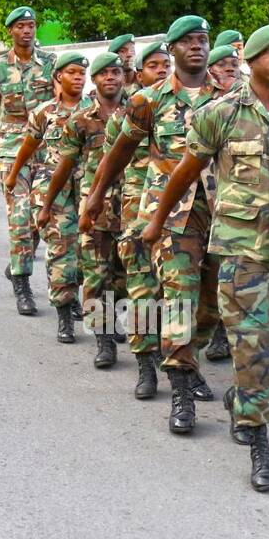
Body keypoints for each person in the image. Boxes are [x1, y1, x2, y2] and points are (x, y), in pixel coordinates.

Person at [142, 25, 269, 491]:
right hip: (240, 251)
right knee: (249, 346)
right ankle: (259, 443)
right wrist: (157, 219)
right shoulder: (220, 114)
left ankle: (245, 392)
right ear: (251, 61)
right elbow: (186, 171)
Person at [86, 15, 227, 435]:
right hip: (167, 215)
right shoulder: (149, 101)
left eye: (203, 40)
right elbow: (120, 150)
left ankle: (187, 358)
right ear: (172, 50)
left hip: (224, 215)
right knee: (171, 296)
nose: (198, 47)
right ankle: (176, 385)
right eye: (187, 41)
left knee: (212, 303)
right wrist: (95, 196)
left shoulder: (232, 96)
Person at [83, 41, 172, 399]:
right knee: (119, 280)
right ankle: (127, 352)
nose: (162, 70)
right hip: (132, 211)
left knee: (173, 292)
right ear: (140, 73)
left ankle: (180, 362)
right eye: (153, 65)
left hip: (179, 212)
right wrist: (94, 199)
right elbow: (107, 164)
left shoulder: (189, 110)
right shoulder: (127, 115)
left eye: (166, 64)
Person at [40, 51, 129, 364]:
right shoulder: (80, 121)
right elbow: (64, 166)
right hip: (94, 211)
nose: (110, 78)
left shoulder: (140, 113)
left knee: (125, 278)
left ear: (124, 77)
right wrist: (47, 204)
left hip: (132, 209)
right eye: (104, 74)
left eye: (115, 73)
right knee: (95, 276)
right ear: (96, 81)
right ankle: (104, 340)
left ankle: (115, 316)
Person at [3, 51, 89, 341]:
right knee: (62, 248)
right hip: (53, 189)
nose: (78, 78)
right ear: (58, 77)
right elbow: (29, 144)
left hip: (89, 187)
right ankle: (64, 315)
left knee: (87, 250)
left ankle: (86, 304)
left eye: (82, 73)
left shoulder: (96, 108)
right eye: (72, 72)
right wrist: (14, 174)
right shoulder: (44, 112)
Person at [0, 8, 56, 315]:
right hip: (12, 148)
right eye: (21, 26)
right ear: (10, 31)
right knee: (20, 218)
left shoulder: (51, 63)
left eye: (31, 25)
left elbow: (65, 101)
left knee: (44, 217)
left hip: (48, 147)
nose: (27, 30)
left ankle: (22, 267)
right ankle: (23, 284)